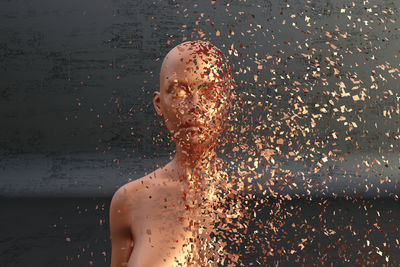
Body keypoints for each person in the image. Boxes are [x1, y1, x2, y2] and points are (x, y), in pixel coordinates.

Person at [109, 40, 236, 266]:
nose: (195, 105)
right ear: (159, 104)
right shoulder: (129, 200)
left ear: (225, 102)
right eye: (178, 91)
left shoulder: (262, 196)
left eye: (208, 92)